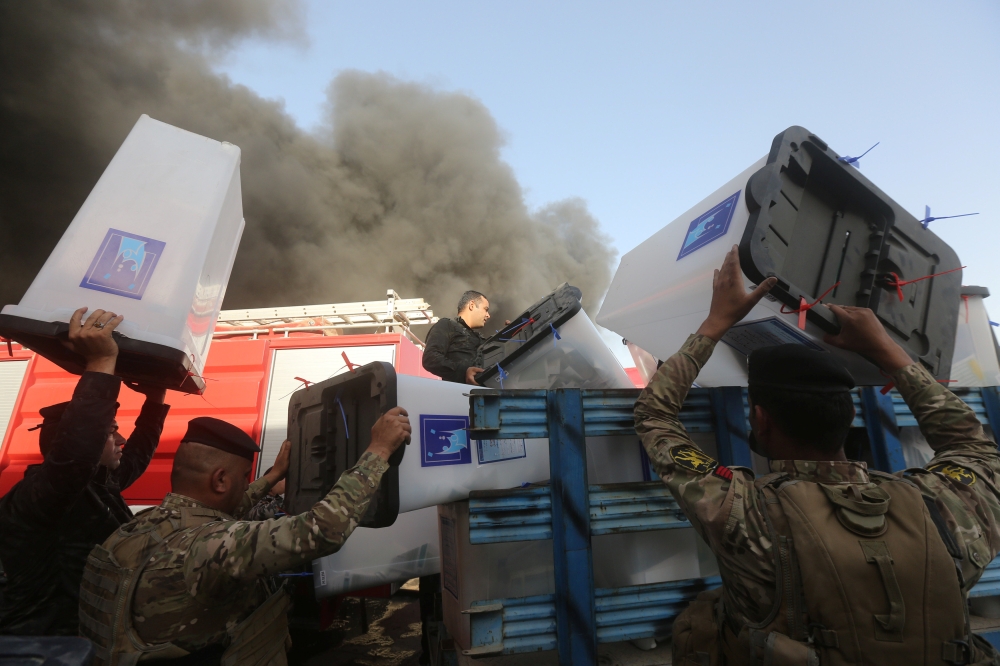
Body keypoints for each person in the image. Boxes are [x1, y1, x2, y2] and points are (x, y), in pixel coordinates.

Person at [635, 246, 1000, 665]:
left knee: (701, 623)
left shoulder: (746, 514)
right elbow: (972, 444)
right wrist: (888, 350)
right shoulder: (946, 510)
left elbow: (653, 415)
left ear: (760, 419)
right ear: (847, 418)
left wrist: (717, 323)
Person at [79, 408, 411, 665]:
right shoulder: (207, 547)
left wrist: (272, 477)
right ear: (220, 480)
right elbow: (321, 530)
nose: (245, 483)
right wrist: (378, 450)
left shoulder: (140, 528)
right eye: (242, 477)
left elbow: (219, 513)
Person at [0, 307, 168, 636]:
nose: (120, 439)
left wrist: (156, 397)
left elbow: (138, 452)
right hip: (41, 645)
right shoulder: (41, 497)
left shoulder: (99, 485)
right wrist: (101, 364)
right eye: (110, 431)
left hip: (83, 636)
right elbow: (77, 456)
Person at [422, 290, 492, 385]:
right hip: (458, 395)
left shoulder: (480, 339)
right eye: (486, 309)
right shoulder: (447, 325)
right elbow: (430, 358)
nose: (488, 315)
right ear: (472, 305)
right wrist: (464, 372)